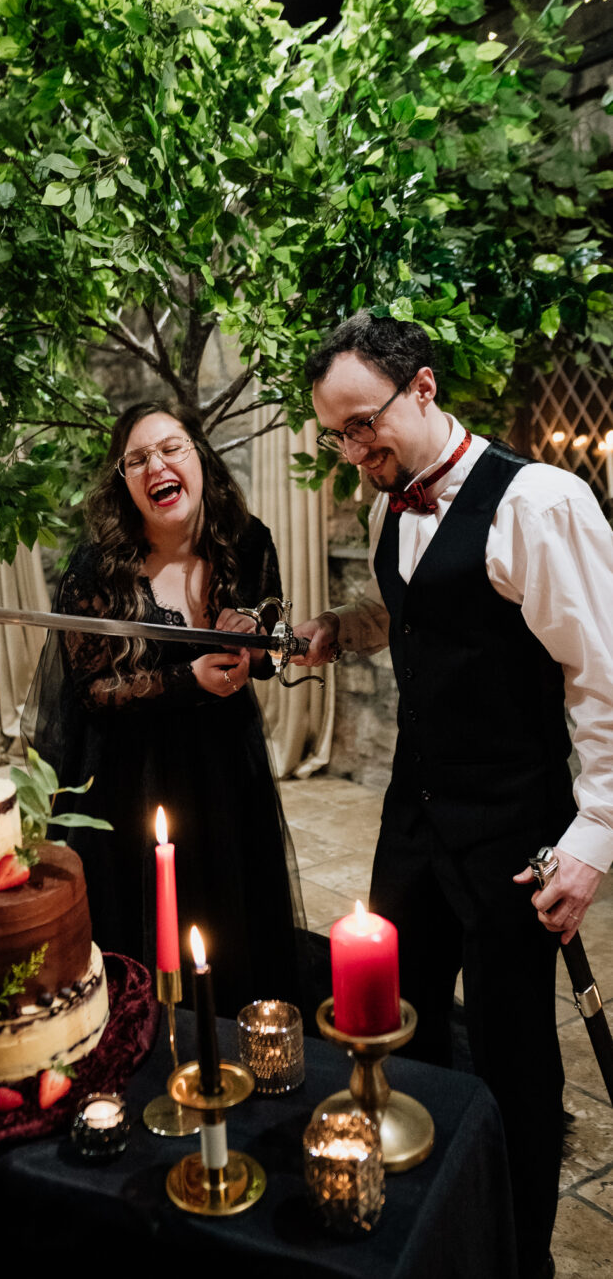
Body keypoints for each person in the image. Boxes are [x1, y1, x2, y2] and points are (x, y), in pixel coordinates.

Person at [293, 310, 613, 1279]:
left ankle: (517, 1256)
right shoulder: (397, 499)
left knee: (515, 1056)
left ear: (422, 388)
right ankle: (432, 1235)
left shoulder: (541, 503)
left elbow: (602, 678)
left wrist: (591, 837)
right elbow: (414, 612)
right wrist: (337, 630)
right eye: (337, 436)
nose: (353, 451)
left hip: (515, 829)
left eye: (362, 426)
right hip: (412, 820)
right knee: (403, 1026)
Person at [24, 401, 307, 1017]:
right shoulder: (95, 569)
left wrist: (251, 640)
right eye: (137, 459)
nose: (156, 464)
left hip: (226, 767)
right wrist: (186, 680)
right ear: (124, 482)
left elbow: (271, 642)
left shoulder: (249, 541)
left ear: (199, 457)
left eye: (171, 448)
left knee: (232, 910)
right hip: (132, 778)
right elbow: (90, 689)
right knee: (145, 931)